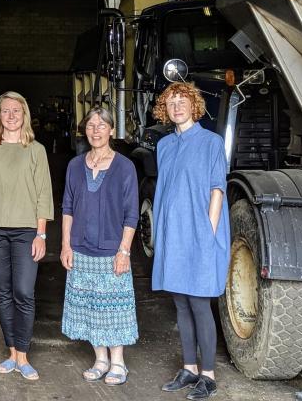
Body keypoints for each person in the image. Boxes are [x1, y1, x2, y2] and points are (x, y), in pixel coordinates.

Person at [152, 82, 229, 400]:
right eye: (171, 102)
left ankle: (208, 376)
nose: (177, 106)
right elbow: (166, 191)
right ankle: (189, 368)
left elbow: (217, 188)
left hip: (200, 233)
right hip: (174, 234)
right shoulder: (165, 145)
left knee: (199, 303)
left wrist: (208, 233)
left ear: (194, 105)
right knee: (181, 304)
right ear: (165, 110)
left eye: (182, 100)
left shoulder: (212, 142)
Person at [0, 91, 53, 380]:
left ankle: (25, 355)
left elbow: (44, 195)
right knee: (3, 292)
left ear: (24, 115)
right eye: (6, 111)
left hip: (26, 232)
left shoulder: (36, 150)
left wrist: (41, 234)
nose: (12, 115)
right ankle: (12, 353)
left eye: (17, 110)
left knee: (23, 292)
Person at [59, 107, 139, 386]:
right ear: (85, 131)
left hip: (111, 251)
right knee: (90, 306)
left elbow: (131, 214)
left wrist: (124, 251)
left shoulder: (125, 167)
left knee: (114, 308)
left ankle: (118, 363)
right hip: (80, 248)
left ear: (111, 131)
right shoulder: (74, 165)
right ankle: (100, 360)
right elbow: (67, 207)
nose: (95, 130)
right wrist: (65, 245)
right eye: (91, 126)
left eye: (101, 126)